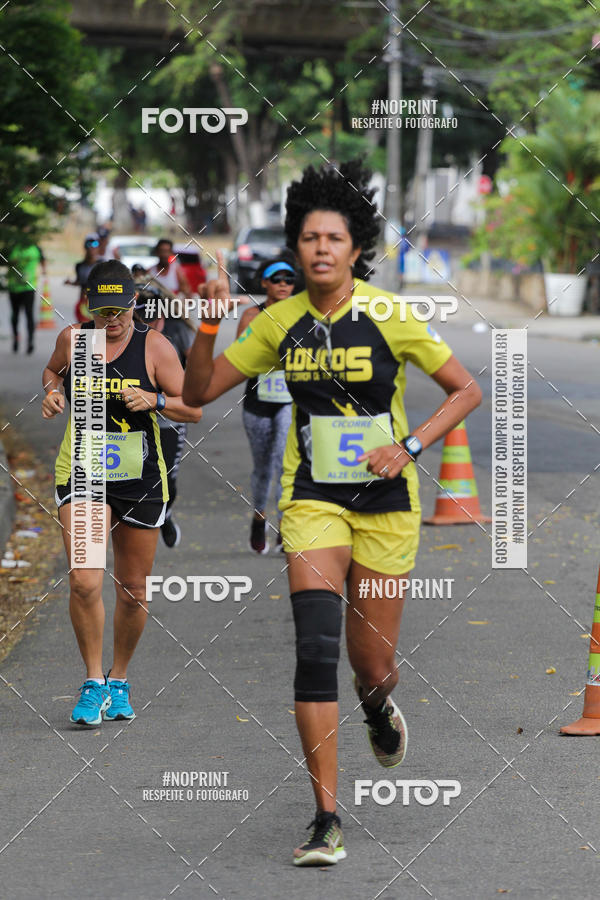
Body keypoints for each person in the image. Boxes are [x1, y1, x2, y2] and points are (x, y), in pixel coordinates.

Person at [182, 159, 482, 866]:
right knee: (314, 650)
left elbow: (465, 390)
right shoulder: (279, 322)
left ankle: (377, 706)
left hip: (385, 508)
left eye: (333, 239)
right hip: (313, 503)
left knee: (370, 665)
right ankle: (325, 817)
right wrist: (205, 327)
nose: (319, 248)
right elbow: (199, 396)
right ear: (297, 245)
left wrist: (409, 446)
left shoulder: (389, 315)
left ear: (355, 249)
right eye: (309, 237)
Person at [42, 260, 202, 727]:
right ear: (88, 306)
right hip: (85, 475)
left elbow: (192, 407)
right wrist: (51, 393)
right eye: (102, 311)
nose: (111, 321)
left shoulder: (154, 347)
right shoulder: (75, 340)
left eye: (120, 311)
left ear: (135, 303)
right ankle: (93, 681)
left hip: (140, 479)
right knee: (85, 580)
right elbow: (52, 373)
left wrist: (154, 400)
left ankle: (120, 678)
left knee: (132, 591)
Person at [236, 257, 295, 553]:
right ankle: (259, 517)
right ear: (265, 283)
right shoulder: (251, 316)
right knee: (263, 468)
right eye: (277, 279)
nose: (283, 284)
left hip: (289, 401)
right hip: (257, 401)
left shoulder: (301, 315)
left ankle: (286, 526)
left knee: (285, 463)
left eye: (289, 279)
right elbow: (240, 360)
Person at [134, 281, 197, 548]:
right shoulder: (125, 333)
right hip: (133, 420)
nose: (151, 323)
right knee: (134, 475)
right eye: (143, 317)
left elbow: (197, 370)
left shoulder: (179, 330)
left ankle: (166, 514)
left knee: (168, 479)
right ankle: (135, 525)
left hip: (169, 418)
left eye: (155, 318)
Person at [7, 240, 46, 353]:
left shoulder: (35, 248)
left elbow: (43, 260)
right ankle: (16, 339)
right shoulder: (14, 246)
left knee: (29, 314)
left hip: (29, 287)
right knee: (15, 315)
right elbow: (8, 261)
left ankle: (30, 342)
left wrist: (44, 270)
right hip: (14, 287)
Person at [65, 234, 99, 323]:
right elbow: (79, 282)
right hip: (83, 302)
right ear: (85, 247)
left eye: (95, 244)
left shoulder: (102, 264)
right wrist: (70, 283)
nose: (92, 247)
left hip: (98, 302)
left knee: (98, 331)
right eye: (89, 244)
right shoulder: (79, 266)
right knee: (84, 330)